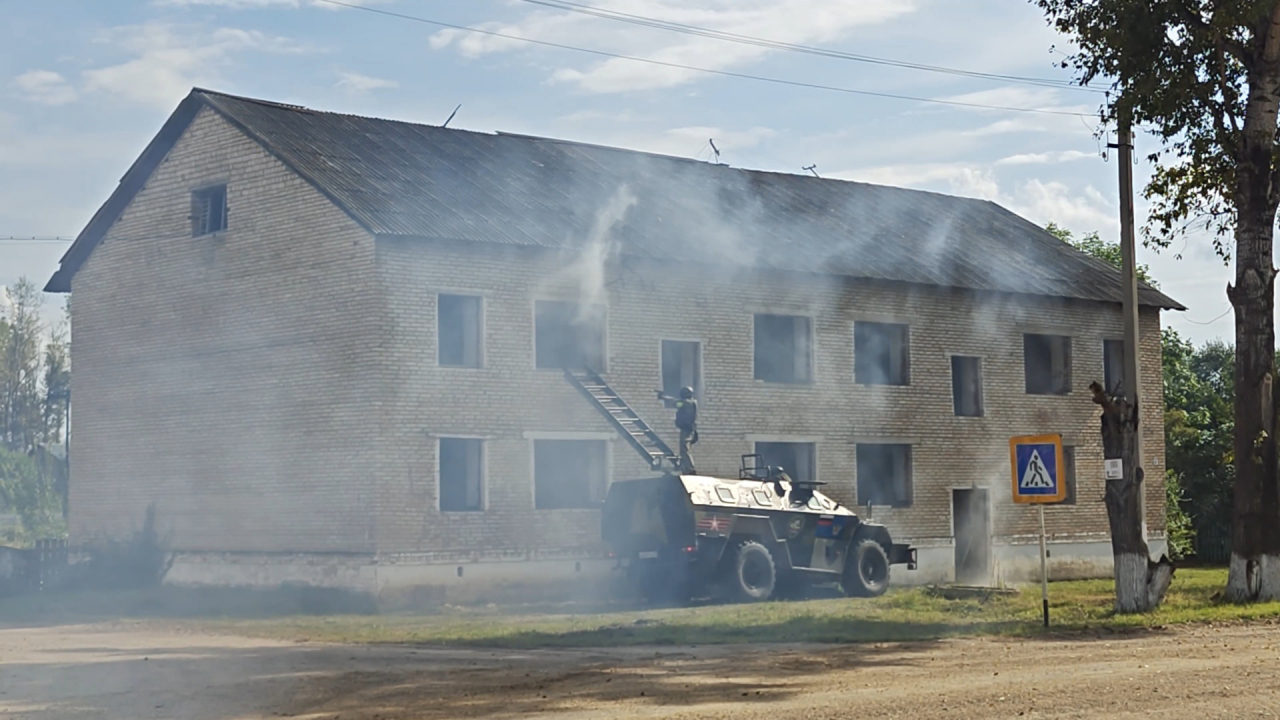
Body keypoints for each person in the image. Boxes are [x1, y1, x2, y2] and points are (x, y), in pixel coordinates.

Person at [656, 386, 698, 473]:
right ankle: (685, 467)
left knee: (684, 449)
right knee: (685, 449)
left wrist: (663, 397)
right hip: (690, 428)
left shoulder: (686, 403)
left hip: (686, 429)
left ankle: (689, 468)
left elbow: (676, 403)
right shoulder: (692, 402)